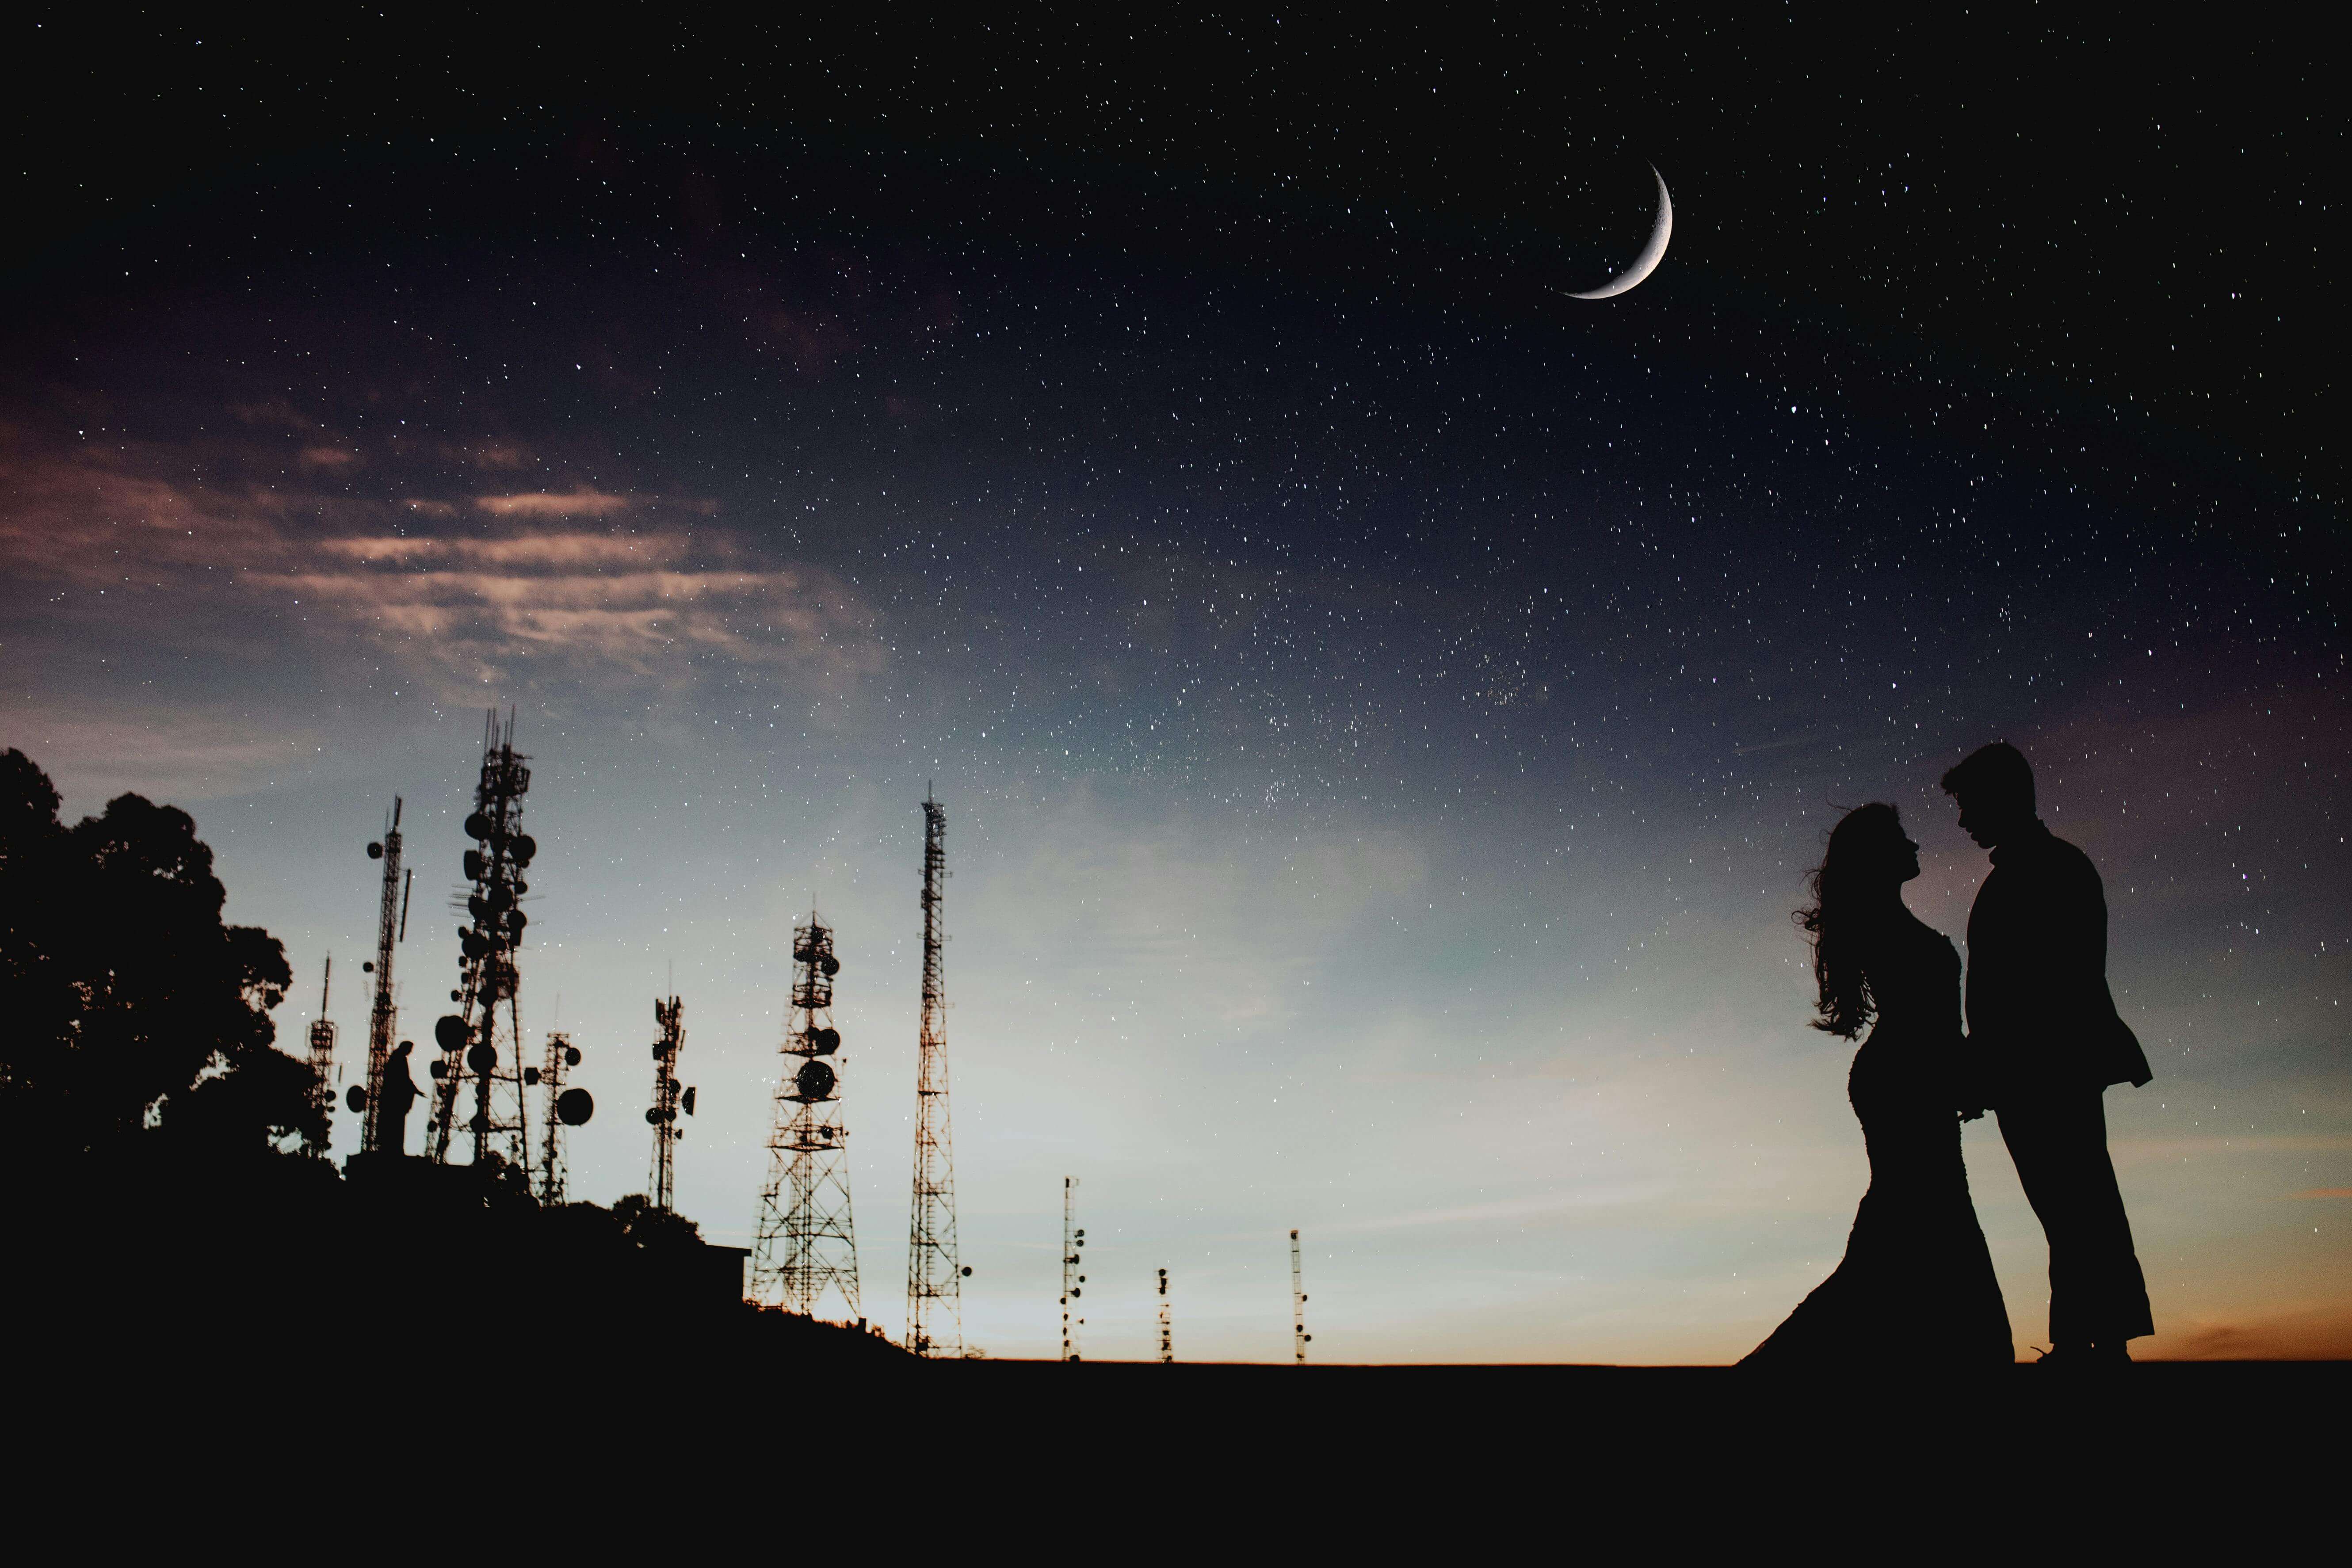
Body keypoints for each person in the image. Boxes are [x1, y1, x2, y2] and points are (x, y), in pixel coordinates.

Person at [1744, 803, 2012, 1367]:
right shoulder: (1880, 921)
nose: (1915, 846)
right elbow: (1921, 1015)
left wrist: (1960, 1070)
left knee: (1916, 1217)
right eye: (1901, 838)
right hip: (1903, 1077)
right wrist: (1957, 1070)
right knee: (1924, 1214)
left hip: (1907, 1072)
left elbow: (1931, 1019)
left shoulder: (1882, 915)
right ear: (1877, 856)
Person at [1944, 742, 2152, 1364]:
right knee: (2067, 1206)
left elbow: (2059, 980)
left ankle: (2101, 1344)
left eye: (1970, 804)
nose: (1963, 821)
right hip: (2029, 1070)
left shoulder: (2053, 868)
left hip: (2046, 1068)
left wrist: (1999, 1065)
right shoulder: (2035, 867)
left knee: (2079, 1200)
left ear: (2003, 798)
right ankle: (2087, 1340)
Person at [377, 1039, 423, 1156]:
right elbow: (403, 1079)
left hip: (392, 1099)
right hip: (394, 1100)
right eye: (410, 1049)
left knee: (393, 1125)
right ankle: (394, 1150)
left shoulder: (396, 1058)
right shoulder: (399, 1059)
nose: (411, 1052)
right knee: (395, 1125)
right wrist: (415, 1090)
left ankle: (392, 1148)